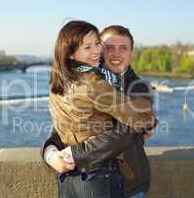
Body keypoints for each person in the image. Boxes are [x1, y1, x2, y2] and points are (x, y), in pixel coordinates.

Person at [44, 20, 156, 197]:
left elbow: (125, 132)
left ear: (131, 53)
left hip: (128, 183)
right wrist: (50, 154)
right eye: (108, 47)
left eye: (123, 48)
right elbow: (63, 127)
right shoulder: (87, 80)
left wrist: (74, 154)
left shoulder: (140, 87)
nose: (115, 54)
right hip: (86, 179)